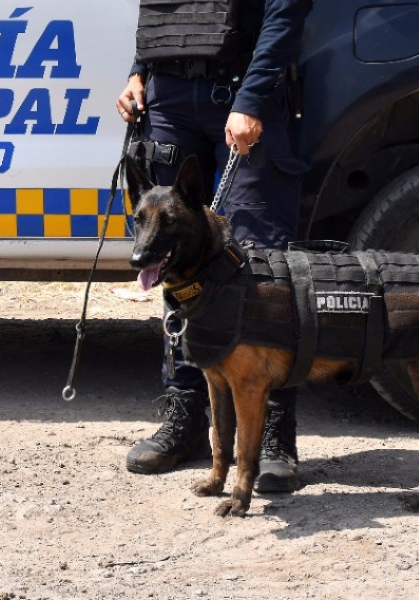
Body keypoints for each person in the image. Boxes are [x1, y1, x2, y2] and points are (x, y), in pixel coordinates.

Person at [115, 0, 312, 491]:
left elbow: (285, 12)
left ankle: (273, 432)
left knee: (260, 270)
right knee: (173, 258)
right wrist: (139, 73)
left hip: (244, 90)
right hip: (167, 99)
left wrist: (252, 98)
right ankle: (185, 419)